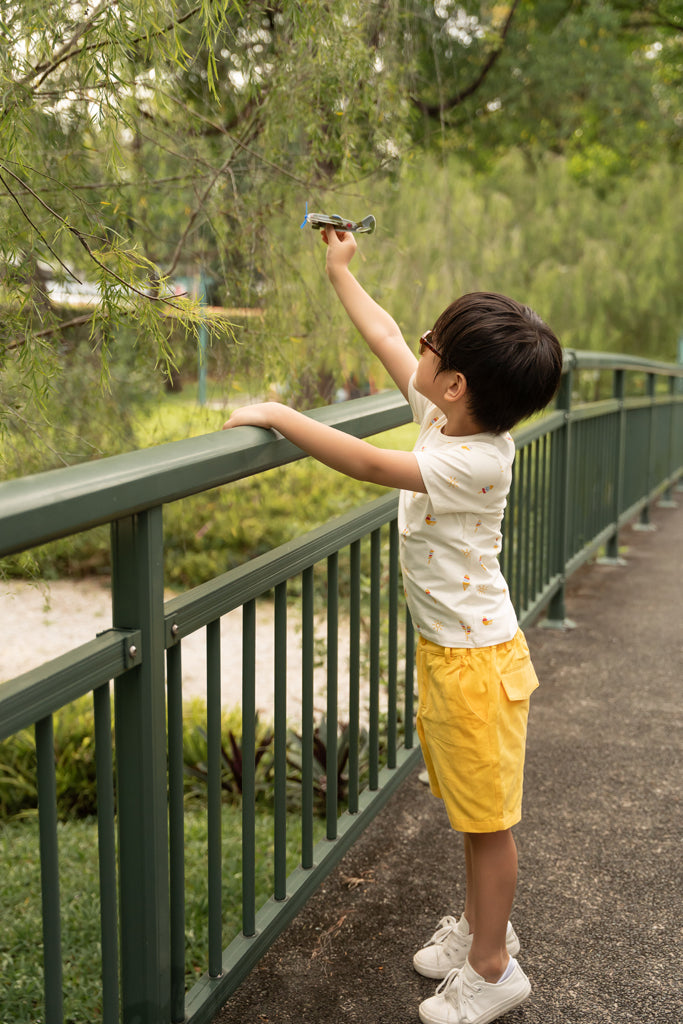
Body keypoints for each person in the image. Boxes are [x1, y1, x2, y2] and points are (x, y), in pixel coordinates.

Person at [223, 226, 563, 1024]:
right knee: (470, 810)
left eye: (429, 344)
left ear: (453, 384)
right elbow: (380, 329)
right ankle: (486, 929)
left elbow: (370, 465)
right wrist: (340, 270)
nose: (414, 342)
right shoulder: (448, 418)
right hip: (456, 656)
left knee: (487, 824)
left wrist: (280, 412)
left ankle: (491, 967)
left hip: (475, 664)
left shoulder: (474, 459)